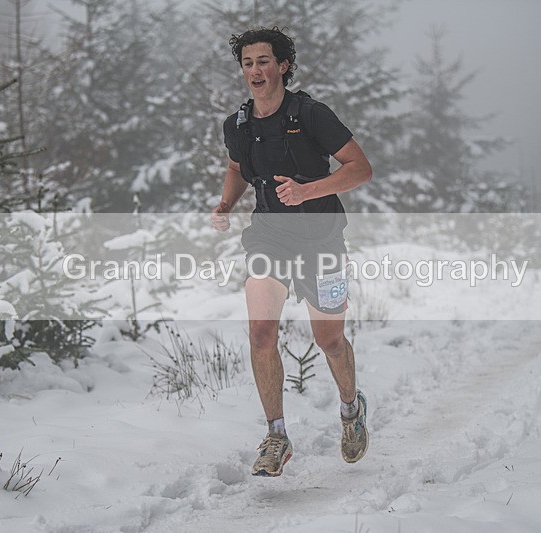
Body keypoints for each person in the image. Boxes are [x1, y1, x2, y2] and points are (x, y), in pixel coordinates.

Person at [211, 27, 372, 477]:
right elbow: (236, 168)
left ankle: (350, 409)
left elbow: (361, 168)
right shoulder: (238, 124)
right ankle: (276, 436)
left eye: (264, 61)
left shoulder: (312, 115)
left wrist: (309, 191)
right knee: (261, 334)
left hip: (322, 239)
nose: (255, 71)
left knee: (330, 340)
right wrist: (225, 204)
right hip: (268, 237)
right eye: (247, 63)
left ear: (283, 66)